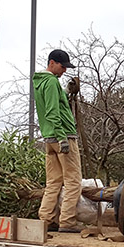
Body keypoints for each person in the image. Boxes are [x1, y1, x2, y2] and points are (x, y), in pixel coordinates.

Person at [33, 49, 82, 233]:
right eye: (63, 67)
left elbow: (52, 105)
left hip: (48, 138)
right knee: (73, 181)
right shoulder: (52, 82)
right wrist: (63, 138)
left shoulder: (40, 82)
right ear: (52, 63)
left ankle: (46, 219)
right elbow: (53, 111)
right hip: (63, 136)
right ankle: (67, 221)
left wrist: (67, 93)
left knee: (53, 181)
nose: (64, 71)